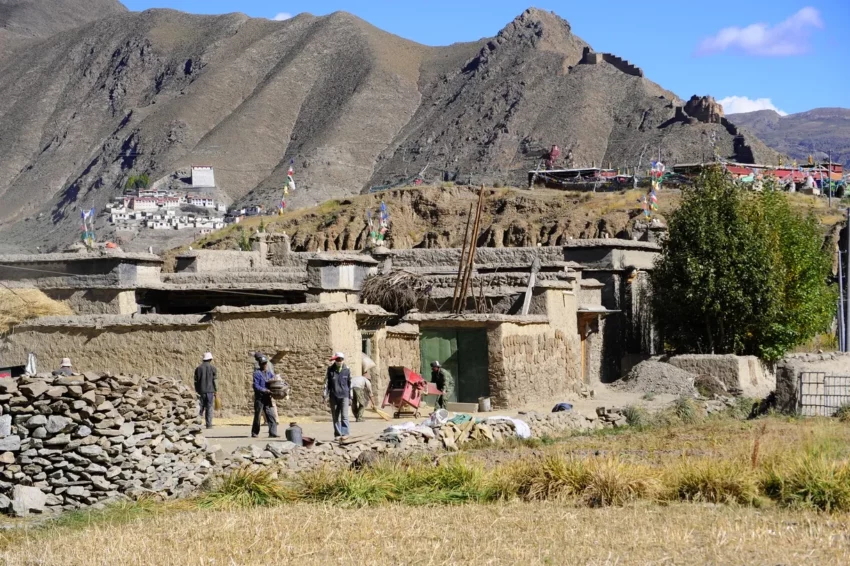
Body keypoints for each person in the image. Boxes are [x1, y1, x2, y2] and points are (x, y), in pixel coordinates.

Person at [323, 352, 351, 438]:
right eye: (337, 360)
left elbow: (350, 384)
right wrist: (325, 395)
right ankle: (338, 434)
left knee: (344, 416)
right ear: (335, 360)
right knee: (335, 417)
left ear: (343, 360)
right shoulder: (330, 370)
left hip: (344, 396)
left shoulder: (347, 370)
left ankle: (345, 434)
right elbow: (327, 384)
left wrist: (351, 397)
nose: (339, 361)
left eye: (340, 360)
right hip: (334, 396)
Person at [251, 356, 279, 438]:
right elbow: (256, 386)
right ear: (260, 364)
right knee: (258, 415)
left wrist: (275, 381)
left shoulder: (269, 373)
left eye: (265, 363)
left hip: (267, 397)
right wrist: (264, 390)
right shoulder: (257, 374)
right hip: (260, 398)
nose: (264, 365)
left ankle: (273, 432)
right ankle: (255, 432)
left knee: (271, 414)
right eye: (263, 363)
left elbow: (272, 382)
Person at [194, 352, 217, 429]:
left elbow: (195, 381)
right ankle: (209, 424)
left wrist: (197, 390)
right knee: (209, 407)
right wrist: (216, 391)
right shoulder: (213, 368)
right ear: (210, 359)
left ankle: (198, 423)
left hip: (201, 391)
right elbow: (215, 381)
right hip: (210, 391)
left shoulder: (198, 369)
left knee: (200, 408)